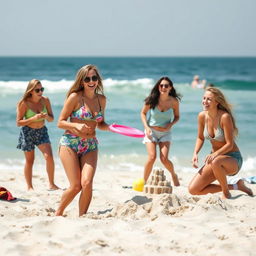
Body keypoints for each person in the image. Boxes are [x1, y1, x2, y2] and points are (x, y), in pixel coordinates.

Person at [55, 65, 110, 217]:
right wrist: (76, 124)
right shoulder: (75, 97)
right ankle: (58, 213)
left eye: (94, 78)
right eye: (87, 79)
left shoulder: (102, 99)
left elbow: (101, 123)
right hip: (70, 143)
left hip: (90, 145)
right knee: (75, 186)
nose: (91, 81)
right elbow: (60, 122)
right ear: (82, 81)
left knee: (87, 184)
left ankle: (82, 217)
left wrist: (112, 127)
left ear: (98, 80)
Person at [189, 87, 253, 199]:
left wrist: (215, 154)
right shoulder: (202, 116)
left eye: (209, 99)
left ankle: (226, 193)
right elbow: (200, 137)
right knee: (193, 189)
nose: (205, 101)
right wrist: (195, 153)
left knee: (216, 161)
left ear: (217, 102)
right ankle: (236, 186)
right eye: (204, 98)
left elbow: (230, 144)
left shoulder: (224, 117)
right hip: (215, 160)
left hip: (232, 159)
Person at [16, 79, 59, 190]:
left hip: (42, 131)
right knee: (30, 161)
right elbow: (18, 122)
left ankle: (51, 184)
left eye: (42, 89)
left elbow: (51, 119)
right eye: (37, 90)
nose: (40, 92)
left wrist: (45, 117)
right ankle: (30, 187)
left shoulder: (45, 101)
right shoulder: (24, 103)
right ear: (31, 91)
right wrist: (33, 118)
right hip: (27, 132)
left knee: (49, 157)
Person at [141, 76, 181, 186]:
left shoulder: (174, 102)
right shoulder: (152, 99)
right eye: (161, 85)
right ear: (158, 87)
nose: (163, 87)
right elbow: (143, 113)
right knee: (152, 157)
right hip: (151, 132)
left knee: (164, 159)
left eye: (166, 86)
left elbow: (177, 116)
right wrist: (147, 127)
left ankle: (173, 175)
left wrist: (171, 124)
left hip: (165, 133)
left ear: (170, 88)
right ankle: (143, 182)